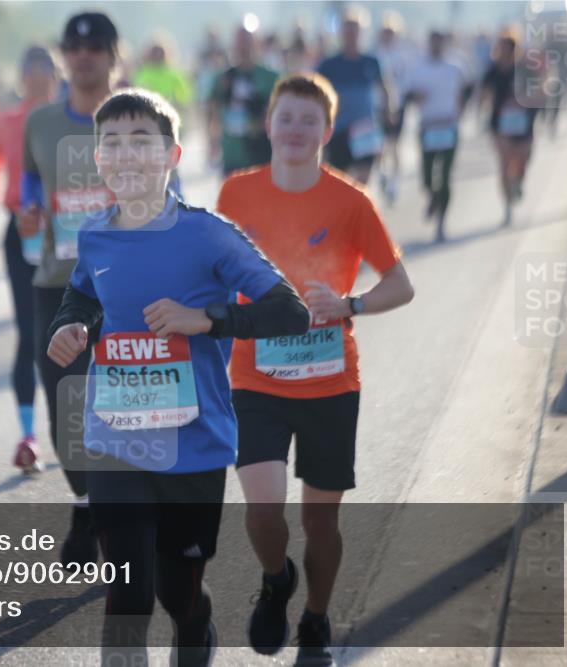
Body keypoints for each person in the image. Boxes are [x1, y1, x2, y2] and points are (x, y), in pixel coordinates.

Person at [47, 88, 309, 667]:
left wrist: (208, 319)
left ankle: (198, 630)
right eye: (111, 142)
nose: (126, 153)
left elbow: (289, 311)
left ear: (173, 155)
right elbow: (84, 294)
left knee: (179, 594)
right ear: (99, 160)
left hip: (193, 445)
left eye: (142, 140)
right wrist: (71, 326)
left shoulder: (208, 233)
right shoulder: (94, 233)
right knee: (129, 594)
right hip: (114, 436)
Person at [216, 72, 414, 666]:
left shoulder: (351, 201)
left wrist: (350, 305)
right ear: (269, 125)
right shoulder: (236, 195)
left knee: (320, 521)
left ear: (327, 131)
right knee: (263, 509)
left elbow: (401, 285)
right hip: (255, 379)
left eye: (309, 121)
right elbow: (214, 275)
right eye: (286, 118)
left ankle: (316, 619)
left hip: (330, 382)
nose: (296, 130)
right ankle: (276, 579)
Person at [19, 11, 118, 567]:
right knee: (66, 413)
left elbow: (165, 196)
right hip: (56, 284)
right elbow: (29, 193)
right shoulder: (41, 124)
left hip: (121, 289)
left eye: (96, 47)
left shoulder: (135, 119)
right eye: (75, 48)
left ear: (111, 56)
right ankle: (84, 502)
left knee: (114, 411)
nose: (84, 56)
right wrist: (27, 220)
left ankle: (111, 520)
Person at [0, 46, 60, 473]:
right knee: (29, 333)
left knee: (79, 330)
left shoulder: (72, 121)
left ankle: (84, 427)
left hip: (69, 233)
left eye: (47, 71)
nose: (40, 78)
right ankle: (28, 434)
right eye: (33, 71)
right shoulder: (7, 121)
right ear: (22, 77)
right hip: (21, 232)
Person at [399, 31, 467, 242]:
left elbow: (469, 88)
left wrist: (461, 106)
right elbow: (406, 95)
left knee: (445, 175)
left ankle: (441, 222)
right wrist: (416, 96)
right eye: (433, 43)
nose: (436, 47)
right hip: (428, 126)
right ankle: (433, 197)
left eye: (440, 43)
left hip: (448, 125)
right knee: (427, 176)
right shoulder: (418, 68)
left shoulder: (455, 67)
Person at [317, 14, 393, 185]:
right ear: (341, 33)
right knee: (339, 180)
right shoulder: (329, 64)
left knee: (363, 179)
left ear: (361, 33)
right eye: (347, 31)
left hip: (365, 129)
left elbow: (384, 87)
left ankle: (358, 209)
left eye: (355, 31)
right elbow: (315, 93)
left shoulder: (371, 61)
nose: (351, 35)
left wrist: (389, 112)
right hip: (339, 129)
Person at [479, 33, 541, 227]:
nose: (505, 52)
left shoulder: (525, 68)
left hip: (524, 121)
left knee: (522, 158)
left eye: (509, 48)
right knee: (504, 164)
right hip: (501, 124)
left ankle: (519, 180)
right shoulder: (493, 70)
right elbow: (484, 91)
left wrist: (525, 100)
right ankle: (507, 206)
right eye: (503, 48)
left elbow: (540, 87)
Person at [208, 25, 279, 174]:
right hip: (232, 154)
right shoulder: (223, 78)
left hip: (261, 152)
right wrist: (212, 142)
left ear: (256, 44)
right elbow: (213, 111)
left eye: (247, 41)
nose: (243, 47)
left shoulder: (270, 77)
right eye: (239, 42)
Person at [372, 15, 415, 205]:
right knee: (379, 146)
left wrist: (398, 102)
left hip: (396, 106)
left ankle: (394, 183)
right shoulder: (374, 55)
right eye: (385, 32)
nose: (387, 36)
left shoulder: (402, 56)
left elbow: (407, 82)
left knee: (394, 145)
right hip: (377, 107)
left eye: (391, 32)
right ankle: (382, 174)